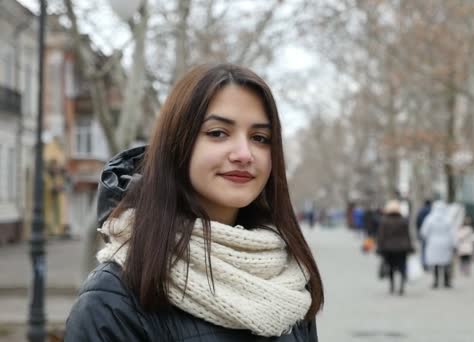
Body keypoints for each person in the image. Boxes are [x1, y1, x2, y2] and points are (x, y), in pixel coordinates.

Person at [64, 64, 323, 341]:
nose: (244, 154)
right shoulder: (112, 301)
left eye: (260, 138)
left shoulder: (288, 280)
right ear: (177, 144)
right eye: (218, 133)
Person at [376, 200, 414, 295]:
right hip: (402, 248)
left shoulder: (384, 221)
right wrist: (410, 247)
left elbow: (381, 236)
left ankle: (392, 286)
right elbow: (407, 235)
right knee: (402, 267)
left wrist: (379, 248)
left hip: (388, 248)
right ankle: (401, 287)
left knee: (391, 268)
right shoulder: (403, 221)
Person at [421, 201, 457, 289]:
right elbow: (453, 233)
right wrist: (454, 244)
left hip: (433, 243)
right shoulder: (448, 218)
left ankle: (436, 281)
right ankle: (446, 281)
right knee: (446, 263)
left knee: (435, 263)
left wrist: (427, 239)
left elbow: (424, 232)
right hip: (446, 243)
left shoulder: (429, 218)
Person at [416, 199, 432, 271]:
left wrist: (419, 231)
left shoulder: (421, 211)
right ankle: (430, 263)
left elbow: (417, 222)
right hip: (431, 234)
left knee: (423, 249)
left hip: (423, 233)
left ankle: (424, 264)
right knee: (430, 249)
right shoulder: (432, 211)